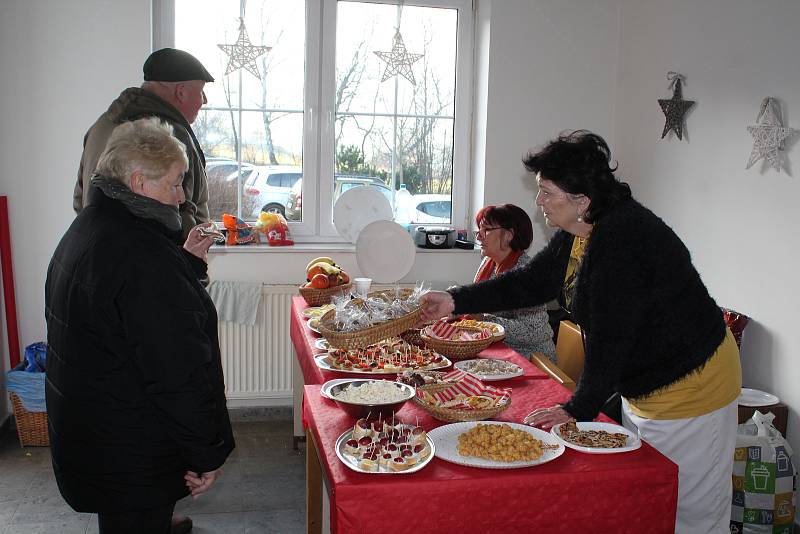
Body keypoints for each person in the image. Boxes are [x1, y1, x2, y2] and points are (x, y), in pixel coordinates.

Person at [420, 130, 741, 533]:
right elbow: (533, 282)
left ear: (581, 200)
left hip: (694, 386)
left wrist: (577, 408)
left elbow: (612, 336)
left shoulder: (623, 239)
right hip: (646, 386)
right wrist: (455, 300)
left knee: (691, 512)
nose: (538, 202)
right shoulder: (584, 229)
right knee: (653, 498)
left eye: (546, 192)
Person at [47, 117, 235, 534]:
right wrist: (205, 455)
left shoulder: (91, 228)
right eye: (175, 183)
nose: (182, 195)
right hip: (130, 448)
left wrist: (181, 264)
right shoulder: (141, 258)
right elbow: (177, 372)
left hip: (99, 432)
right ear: (138, 181)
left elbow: (123, 317)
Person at [74, 47, 214, 241]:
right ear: (181, 92)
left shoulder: (101, 125)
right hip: (153, 263)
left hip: (97, 253)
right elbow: (183, 221)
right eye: (201, 92)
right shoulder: (170, 138)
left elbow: (80, 200)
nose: (204, 101)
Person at [472, 204, 555, 362]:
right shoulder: (489, 263)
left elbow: (533, 331)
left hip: (531, 359)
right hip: (500, 351)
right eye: (479, 230)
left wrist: (483, 318)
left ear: (509, 235)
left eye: (487, 230)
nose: (478, 236)